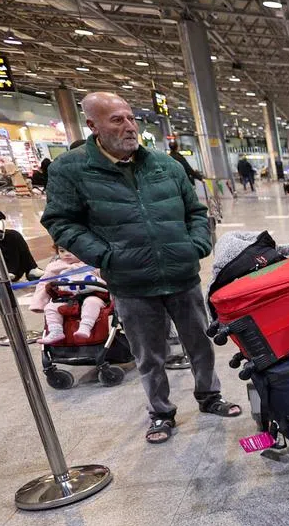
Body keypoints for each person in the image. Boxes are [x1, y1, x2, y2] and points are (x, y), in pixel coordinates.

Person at [41, 91, 239, 444]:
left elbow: (195, 212)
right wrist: (105, 256)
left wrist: (196, 245)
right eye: (117, 120)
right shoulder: (70, 169)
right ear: (93, 125)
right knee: (149, 355)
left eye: (131, 118)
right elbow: (60, 221)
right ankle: (161, 412)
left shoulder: (166, 165)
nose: (129, 126)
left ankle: (210, 396)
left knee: (200, 343)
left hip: (181, 274)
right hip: (130, 282)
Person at [30, 246, 107, 344]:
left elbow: (108, 279)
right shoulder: (55, 268)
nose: (66, 254)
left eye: (72, 251)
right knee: (50, 307)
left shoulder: (93, 264)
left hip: (94, 295)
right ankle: (55, 331)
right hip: (66, 298)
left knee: (91, 302)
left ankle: (85, 326)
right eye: (62, 251)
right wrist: (38, 303)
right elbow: (44, 283)